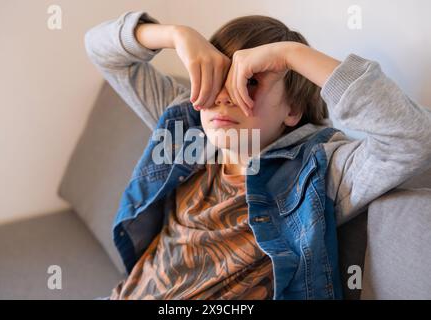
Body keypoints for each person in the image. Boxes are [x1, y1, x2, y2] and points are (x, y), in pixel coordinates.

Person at [84, 10, 431, 299]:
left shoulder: (319, 171)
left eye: (249, 81)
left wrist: (291, 55)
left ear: (292, 110)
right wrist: (177, 35)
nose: (222, 96)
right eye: (218, 77)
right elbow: (101, 50)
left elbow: (414, 139)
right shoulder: (185, 127)